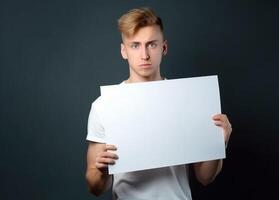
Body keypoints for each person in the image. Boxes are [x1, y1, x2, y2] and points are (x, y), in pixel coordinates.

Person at [85, 7, 232, 199]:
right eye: (135, 45)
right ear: (124, 51)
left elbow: (205, 177)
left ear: (164, 47)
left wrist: (219, 144)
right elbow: (95, 187)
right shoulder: (104, 105)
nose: (144, 55)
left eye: (151, 44)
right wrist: (101, 171)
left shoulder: (189, 99)